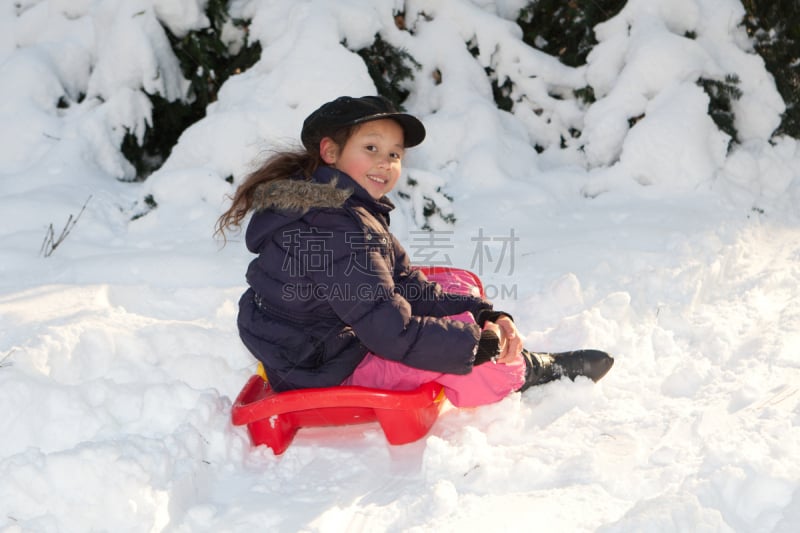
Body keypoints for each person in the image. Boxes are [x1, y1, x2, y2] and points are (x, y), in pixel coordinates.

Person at [216, 95, 613, 407]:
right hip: (324, 363)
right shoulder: (336, 225)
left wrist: (480, 313)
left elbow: (404, 282)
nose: (385, 163)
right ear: (330, 152)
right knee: (468, 368)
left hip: (310, 339)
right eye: (370, 148)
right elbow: (390, 332)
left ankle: (480, 331)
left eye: (394, 153)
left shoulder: (344, 206)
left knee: (453, 285)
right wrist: (474, 346)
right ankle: (524, 371)